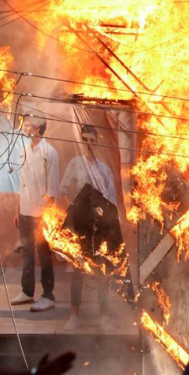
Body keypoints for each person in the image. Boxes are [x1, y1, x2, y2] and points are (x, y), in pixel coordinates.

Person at [58, 124, 118, 331]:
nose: (89, 144)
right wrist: (75, 209)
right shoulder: (76, 163)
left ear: (97, 142)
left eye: (92, 140)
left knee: (103, 270)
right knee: (78, 270)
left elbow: (111, 197)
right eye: (85, 139)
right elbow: (64, 188)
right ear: (81, 141)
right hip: (81, 225)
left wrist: (107, 220)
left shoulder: (104, 169)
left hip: (101, 226)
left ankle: (104, 316)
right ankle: (74, 315)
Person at [12, 111, 60, 313]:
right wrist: (18, 210)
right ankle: (27, 291)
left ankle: (48, 295)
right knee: (27, 253)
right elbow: (22, 184)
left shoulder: (50, 152)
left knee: (44, 254)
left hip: (41, 214)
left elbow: (52, 189)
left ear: (39, 128)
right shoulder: (24, 150)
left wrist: (46, 217)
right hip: (24, 210)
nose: (25, 127)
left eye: (30, 124)